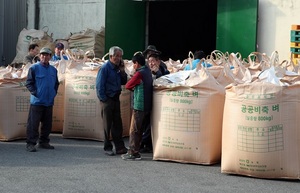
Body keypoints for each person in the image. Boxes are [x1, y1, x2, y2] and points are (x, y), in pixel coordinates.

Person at [25, 47, 59, 152]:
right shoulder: (34, 68)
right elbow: (29, 83)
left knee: (47, 124)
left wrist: (53, 93)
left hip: (49, 101)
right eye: (42, 55)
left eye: (47, 55)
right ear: (40, 56)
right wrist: (36, 93)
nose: (44, 57)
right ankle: (30, 143)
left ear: (50, 56)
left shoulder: (53, 70)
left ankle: (44, 142)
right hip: (37, 101)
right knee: (33, 124)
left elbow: (56, 83)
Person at [96, 46, 128, 156]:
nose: (118, 58)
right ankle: (107, 147)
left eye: (120, 56)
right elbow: (99, 86)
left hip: (116, 99)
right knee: (107, 125)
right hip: (107, 100)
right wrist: (104, 99)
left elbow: (124, 82)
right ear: (110, 56)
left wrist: (123, 70)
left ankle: (120, 147)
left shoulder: (118, 69)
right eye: (116, 56)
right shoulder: (105, 68)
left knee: (117, 124)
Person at [121, 53, 153, 160]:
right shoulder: (148, 71)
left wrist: (133, 81)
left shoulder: (139, 74)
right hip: (147, 105)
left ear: (137, 64)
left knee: (134, 129)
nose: (133, 66)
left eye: (133, 64)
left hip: (139, 105)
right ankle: (136, 150)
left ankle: (133, 152)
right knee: (139, 129)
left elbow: (128, 85)